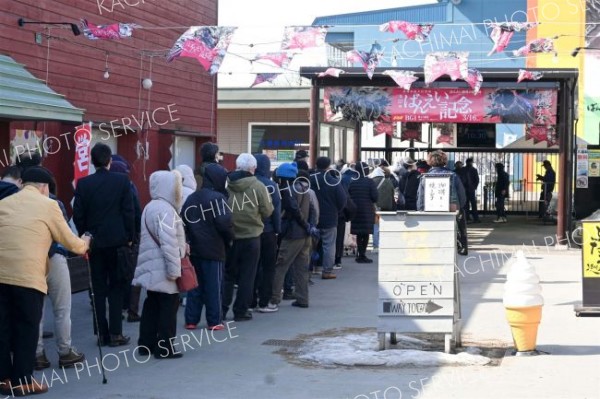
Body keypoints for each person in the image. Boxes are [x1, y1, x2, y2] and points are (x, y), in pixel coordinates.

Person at [0, 166, 90, 395]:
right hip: (28, 276)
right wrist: (86, 241)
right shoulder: (48, 204)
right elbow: (72, 244)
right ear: (44, 188)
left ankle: (3, 379)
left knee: (4, 328)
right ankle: (23, 381)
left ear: (22, 184)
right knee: (27, 328)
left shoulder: (4, 203)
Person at [73, 143, 135, 347]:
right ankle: (116, 333)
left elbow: (79, 215)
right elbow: (129, 211)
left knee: (98, 289)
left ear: (92, 161)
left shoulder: (83, 184)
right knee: (116, 287)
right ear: (110, 160)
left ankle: (101, 332)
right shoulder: (122, 181)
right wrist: (130, 236)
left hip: (95, 243)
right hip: (118, 242)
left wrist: (85, 236)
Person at [133, 170, 186, 359]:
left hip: (151, 266)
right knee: (168, 307)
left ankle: (145, 344)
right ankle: (165, 347)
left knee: (151, 304)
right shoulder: (166, 210)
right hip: (164, 267)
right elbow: (169, 244)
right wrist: (174, 271)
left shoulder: (150, 206)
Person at [35, 174, 86, 371]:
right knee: (62, 308)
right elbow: (65, 233)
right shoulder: (54, 203)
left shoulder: (18, 203)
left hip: (33, 259)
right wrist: (82, 245)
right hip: (55, 256)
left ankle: (37, 354)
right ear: (46, 186)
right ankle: (65, 352)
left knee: (36, 308)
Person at [222, 154, 274, 322]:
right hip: (252, 236)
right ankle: (241, 310)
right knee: (247, 275)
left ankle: (221, 310)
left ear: (237, 166)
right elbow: (267, 211)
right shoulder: (258, 187)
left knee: (228, 274)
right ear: (253, 168)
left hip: (229, 236)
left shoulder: (226, 184)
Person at [182, 163, 234, 331]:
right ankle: (214, 320)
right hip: (214, 249)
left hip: (195, 249)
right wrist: (230, 240)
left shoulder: (192, 197)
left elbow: (184, 221)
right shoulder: (218, 198)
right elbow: (225, 224)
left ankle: (191, 320)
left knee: (195, 286)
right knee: (214, 286)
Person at [263, 162, 317, 311]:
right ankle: (302, 299)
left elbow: (293, 210)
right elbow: (312, 209)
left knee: (280, 266)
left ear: (282, 177)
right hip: (305, 236)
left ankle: (273, 300)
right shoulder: (304, 188)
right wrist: (310, 226)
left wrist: (304, 225)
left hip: (293, 234)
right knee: (301, 268)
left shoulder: (286, 191)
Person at [110, 158, 143, 323]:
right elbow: (135, 213)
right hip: (126, 240)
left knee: (114, 277)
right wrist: (134, 236)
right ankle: (130, 308)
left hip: (108, 241)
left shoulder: (106, 189)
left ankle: (119, 308)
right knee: (130, 273)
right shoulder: (128, 188)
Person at [417, 150, 468, 255]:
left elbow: (420, 197)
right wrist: (459, 206)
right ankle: (460, 247)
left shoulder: (424, 177)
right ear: (444, 161)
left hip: (430, 209)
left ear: (429, 161)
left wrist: (421, 210)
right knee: (455, 228)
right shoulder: (453, 175)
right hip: (451, 208)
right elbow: (462, 195)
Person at [250, 154, 281, 311]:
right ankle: (264, 301)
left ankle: (249, 301)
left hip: (249, 231)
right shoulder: (271, 185)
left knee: (251, 267)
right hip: (267, 230)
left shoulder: (246, 183)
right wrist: (277, 229)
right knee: (268, 267)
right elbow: (275, 210)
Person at [309, 157, 347, 279]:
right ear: (328, 166)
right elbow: (342, 201)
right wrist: (336, 210)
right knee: (329, 245)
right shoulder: (334, 181)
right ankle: (327, 271)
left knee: (310, 245)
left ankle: (310, 270)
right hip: (330, 218)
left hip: (311, 218)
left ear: (316, 165)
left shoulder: (310, 180)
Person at [176, 164, 197, 308]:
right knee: (186, 265)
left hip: (173, 231)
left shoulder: (172, 191)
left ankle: (177, 294)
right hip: (187, 232)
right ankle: (186, 294)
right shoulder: (191, 194)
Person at [348, 162, 378, 263]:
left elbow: (349, 194)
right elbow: (375, 197)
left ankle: (360, 254)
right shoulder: (370, 182)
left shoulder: (352, 182)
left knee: (358, 233)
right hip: (367, 210)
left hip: (355, 210)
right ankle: (362, 254)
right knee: (365, 233)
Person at [370, 161, 395, 253]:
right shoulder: (388, 182)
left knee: (376, 227)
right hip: (387, 207)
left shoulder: (371, 182)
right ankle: (386, 245)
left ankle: (376, 246)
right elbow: (392, 194)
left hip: (375, 207)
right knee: (385, 226)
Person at [464, 158, 481, 223]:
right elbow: (477, 179)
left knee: (467, 204)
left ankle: (468, 218)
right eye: (470, 162)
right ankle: (474, 218)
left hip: (468, 189)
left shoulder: (466, 169)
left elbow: (477, 179)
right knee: (472, 204)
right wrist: (474, 187)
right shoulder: (473, 170)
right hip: (470, 189)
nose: (470, 163)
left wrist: (474, 187)